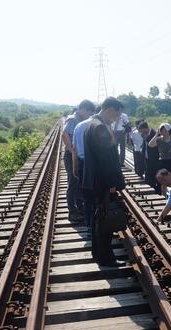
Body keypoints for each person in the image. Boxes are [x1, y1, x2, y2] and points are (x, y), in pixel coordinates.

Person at [82, 97, 126, 267]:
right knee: (104, 221)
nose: (116, 117)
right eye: (117, 113)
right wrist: (112, 183)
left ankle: (98, 254)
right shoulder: (99, 126)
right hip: (101, 182)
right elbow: (106, 159)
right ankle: (106, 259)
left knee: (98, 219)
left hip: (94, 180)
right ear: (110, 109)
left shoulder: (91, 123)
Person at [62, 100, 95, 222]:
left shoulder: (80, 120)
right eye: (89, 112)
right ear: (83, 109)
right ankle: (72, 212)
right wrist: (72, 152)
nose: (90, 115)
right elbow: (65, 135)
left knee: (80, 183)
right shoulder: (73, 119)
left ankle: (80, 208)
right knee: (73, 184)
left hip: (78, 156)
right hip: (71, 156)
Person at [72, 106, 101, 228]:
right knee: (99, 195)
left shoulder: (79, 126)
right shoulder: (99, 125)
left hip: (82, 164)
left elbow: (74, 149)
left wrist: (74, 167)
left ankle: (89, 223)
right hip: (96, 164)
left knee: (87, 197)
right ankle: (99, 222)